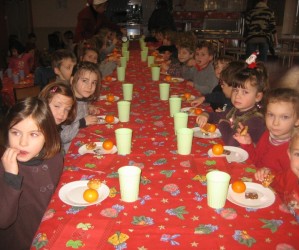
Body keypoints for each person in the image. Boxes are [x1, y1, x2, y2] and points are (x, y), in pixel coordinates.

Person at [0, 97, 63, 250]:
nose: (22, 143)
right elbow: (3, 220)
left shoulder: (54, 157)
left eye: (34, 134)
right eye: (15, 133)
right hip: (22, 242)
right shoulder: (4, 168)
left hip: (53, 231)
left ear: (47, 135)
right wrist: (10, 177)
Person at [196, 58, 268, 146]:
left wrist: (223, 123)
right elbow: (218, 116)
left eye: (245, 92)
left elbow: (233, 143)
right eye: (235, 90)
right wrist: (206, 115)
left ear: (258, 96)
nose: (238, 96)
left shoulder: (255, 120)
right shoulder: (235, 110)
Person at [235, 88, 299, 173]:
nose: (275, 123)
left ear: (297, 120)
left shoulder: (295, 149)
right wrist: (247, 144)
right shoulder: (267, 135)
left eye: (284, 117)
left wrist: (269, 175)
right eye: (271, 115)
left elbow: (288, 183)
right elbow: (256, 162)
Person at [255, 128, 299, 222]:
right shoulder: (290, 174)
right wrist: (267, 174)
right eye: (298, 154)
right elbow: (276, 182)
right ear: (289, 154)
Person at [60, 62, 101, 153]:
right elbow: (63, 137)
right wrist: (82, 122)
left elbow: (80, 107)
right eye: (84, 81)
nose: (89, 86)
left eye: (93, 82)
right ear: (72, 80)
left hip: (82, 142)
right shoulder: (66, 105)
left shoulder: (81, 99)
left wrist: (88, 107)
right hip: (68, 151)